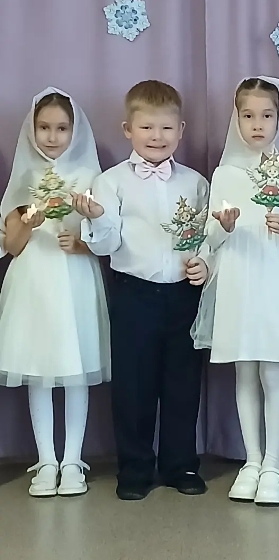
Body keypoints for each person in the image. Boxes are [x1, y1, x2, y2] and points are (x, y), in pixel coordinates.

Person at [188, 76, 279, 506]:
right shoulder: (225, 175)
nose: (257, 124)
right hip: (237, 280)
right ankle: (251, 461)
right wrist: (224, 226)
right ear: (237, 119)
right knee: (244, 371)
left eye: (266, 115)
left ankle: (274, 464)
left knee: (273, 372)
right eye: (248, 115)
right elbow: (210, 236)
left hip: (276, 282)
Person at [75, 80, 209, 501]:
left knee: (183, 384)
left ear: (181, 130)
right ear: (128, 129)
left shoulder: (196, 183)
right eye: (147, 127)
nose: (157, 136)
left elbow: (208, 235)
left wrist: (204, 261)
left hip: (184, 295)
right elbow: (106, 245)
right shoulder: (110, 182)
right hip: (133, 295)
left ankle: (180, 464)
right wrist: (97, 217)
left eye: (166, 128)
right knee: (133, 386)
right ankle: (134, 468)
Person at [0, 87, 110, 497]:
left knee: (76, 368)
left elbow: (105, 238)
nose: (51, 136)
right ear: (32, 130)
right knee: (40, 370)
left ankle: (73, 460)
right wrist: (29, 224)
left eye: (61, 128)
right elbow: (12, 246)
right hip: (34, 281)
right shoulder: (25, 178)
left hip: (76, 278)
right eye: (44, 127)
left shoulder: (90, 177)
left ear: (74, 131)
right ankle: (46, 460)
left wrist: (82, 243)